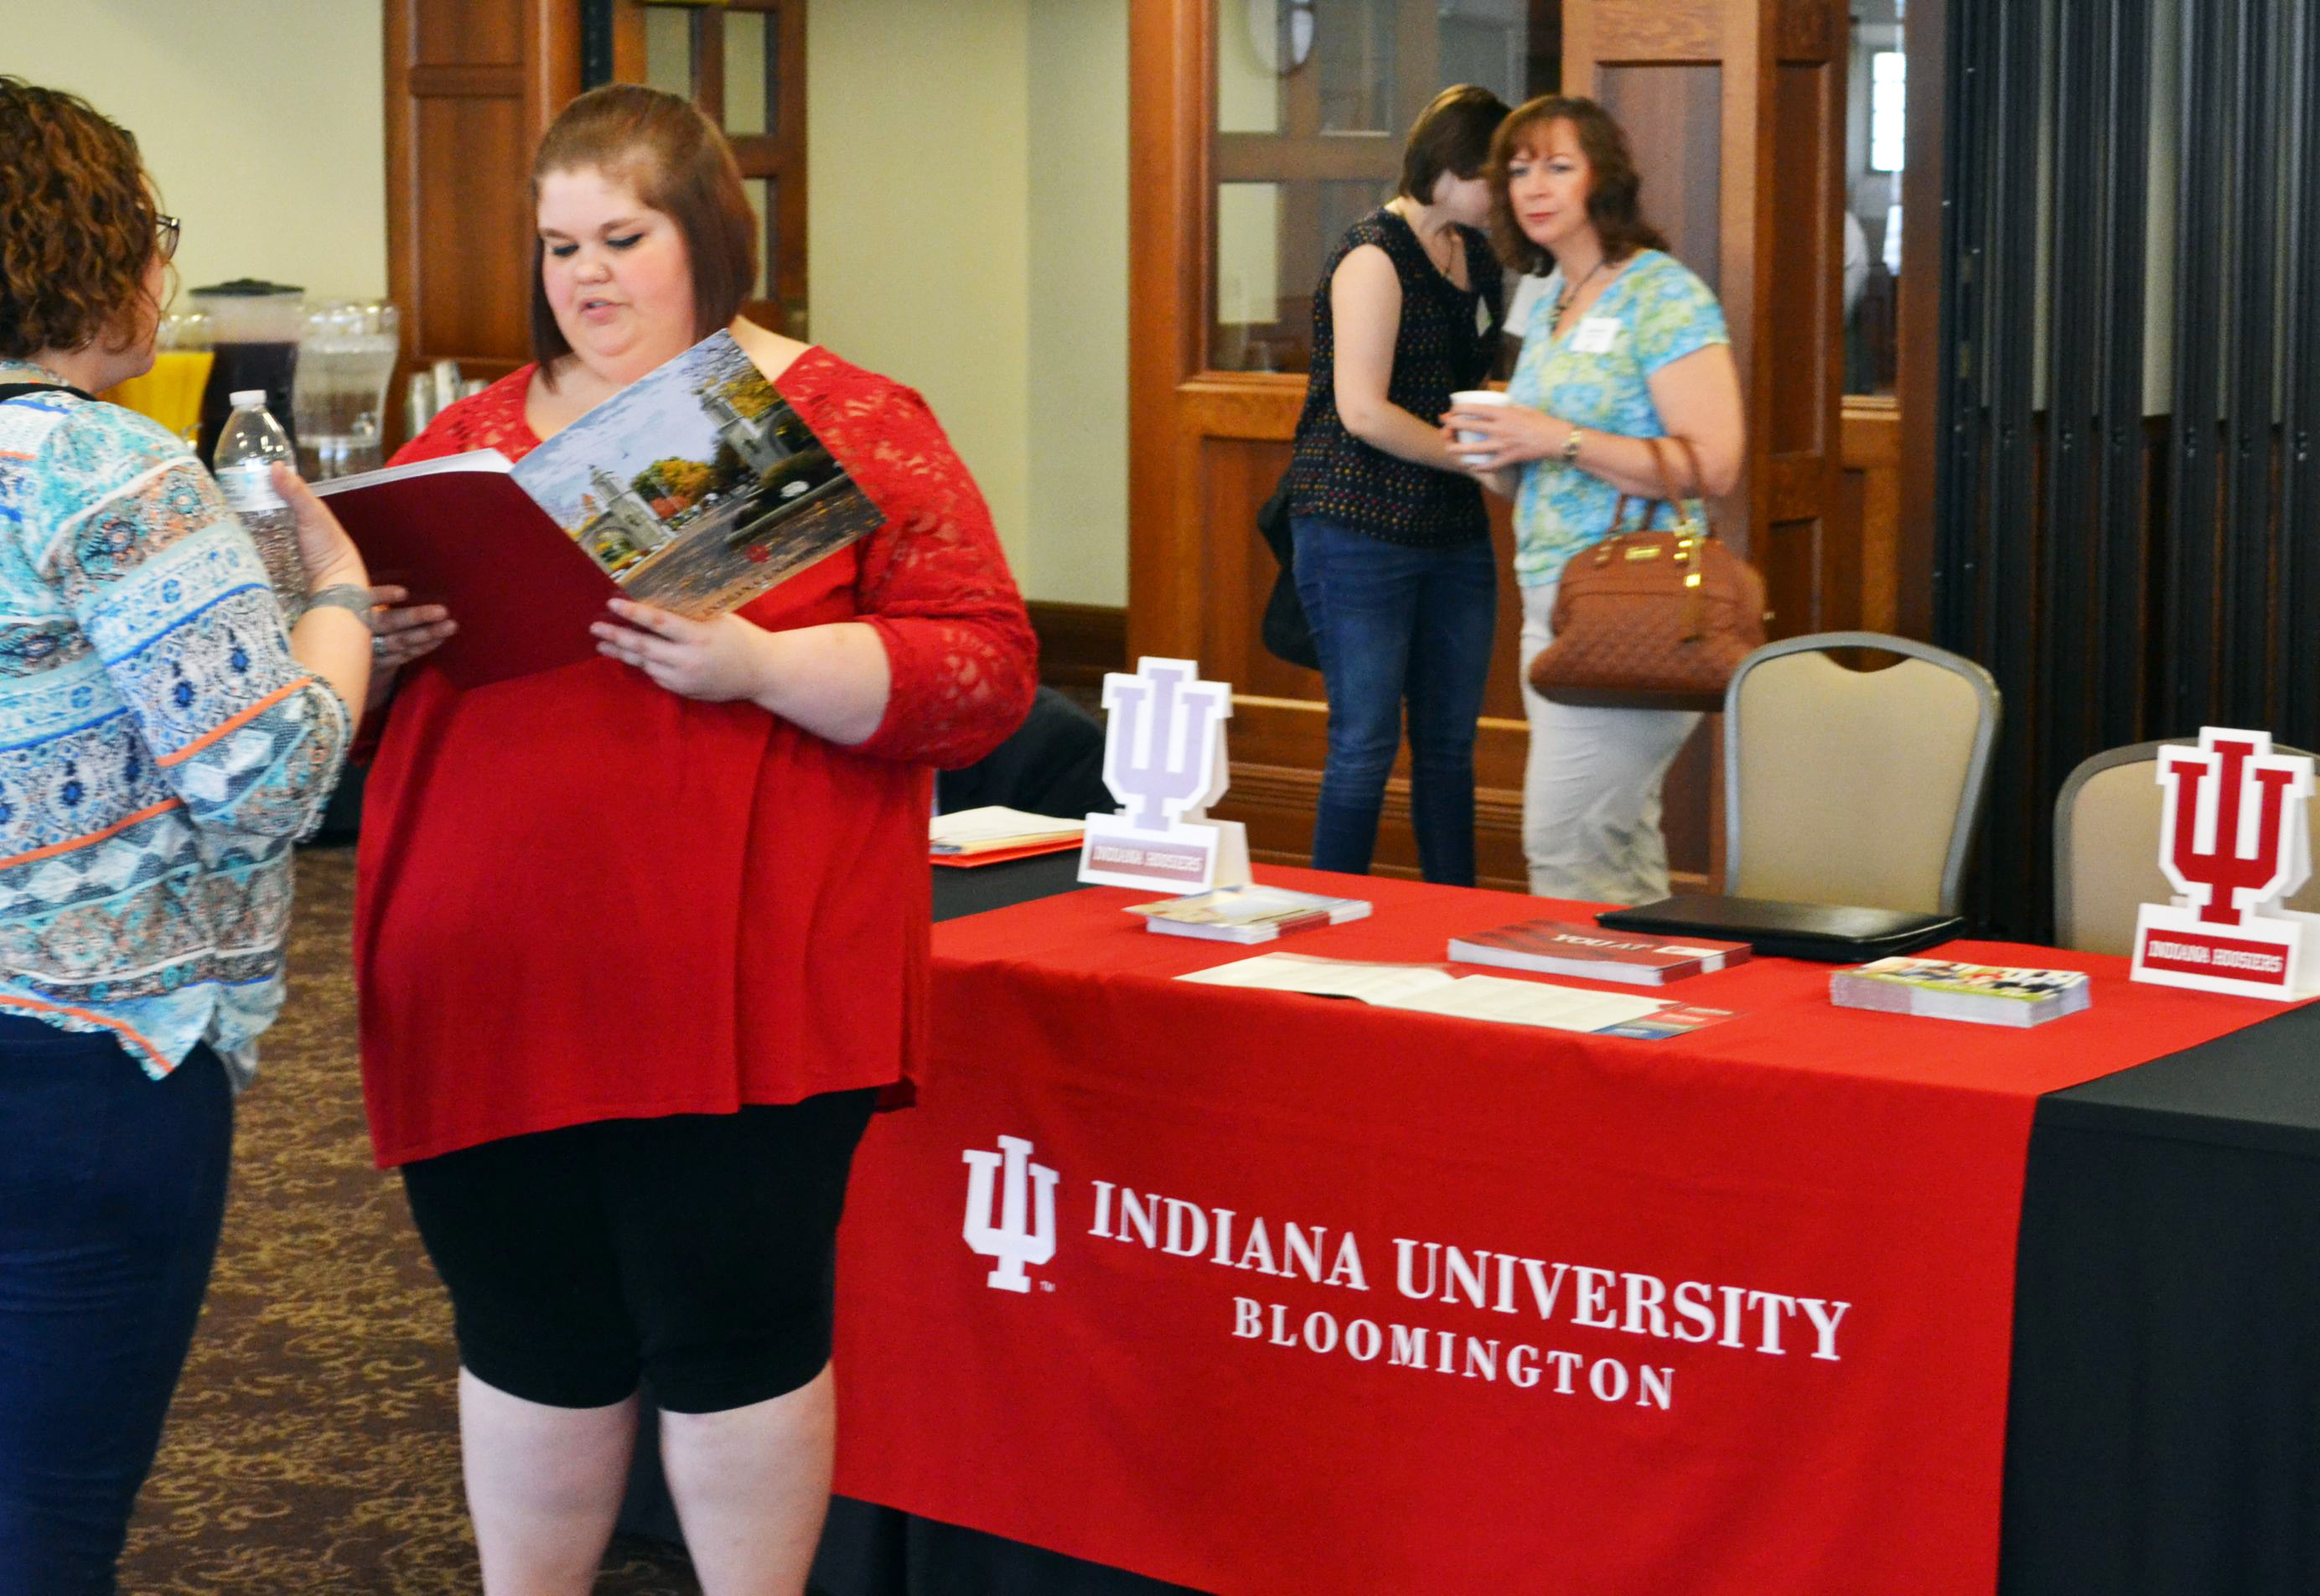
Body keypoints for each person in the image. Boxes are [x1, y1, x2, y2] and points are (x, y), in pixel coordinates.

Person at [355, 85, 1037, 1595]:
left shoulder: (843, 415)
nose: (585, 276)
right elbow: (343, 722)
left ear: (708, 238)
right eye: (557, 246)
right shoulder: (465, 436)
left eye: (622, 236)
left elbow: (985, 666)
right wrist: (375, 642)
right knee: (526, 1323)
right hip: (492, 971)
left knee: (732, 1324)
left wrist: (768, 665)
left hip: (738, 974)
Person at [0, 78, 373, 1593]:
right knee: (45, 1519)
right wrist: (337, 603)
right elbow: (270, 780)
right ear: (98, 248)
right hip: (89, 1060)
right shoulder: (107, 464)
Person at [1445, 96, 1745, 903]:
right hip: (1551, 600)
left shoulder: (1662, 294)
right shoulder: (1548, 298)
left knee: (1567, 843)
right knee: (1611, 839)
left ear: (1602, 180)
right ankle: (1656, 1016)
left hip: (1636, 601)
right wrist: (1495, 450)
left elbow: (1713, 464)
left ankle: (1590, 1022)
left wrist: (1555, 438)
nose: (1533, 187)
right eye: (1517, 170)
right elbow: (1543, 452)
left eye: (1557, 166)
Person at [1282, 84, 1510, 885]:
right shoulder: (1373, 253)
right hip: (1356, 523)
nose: (1509, 193)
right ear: (1450, 168)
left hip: (1451, 530)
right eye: (1499, 174)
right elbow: (1363, 412)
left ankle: (1455, 917)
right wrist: (1477, 459)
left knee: (1449, 743)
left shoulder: (1477, 256)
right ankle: (1330, 920)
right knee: (1366, 740)